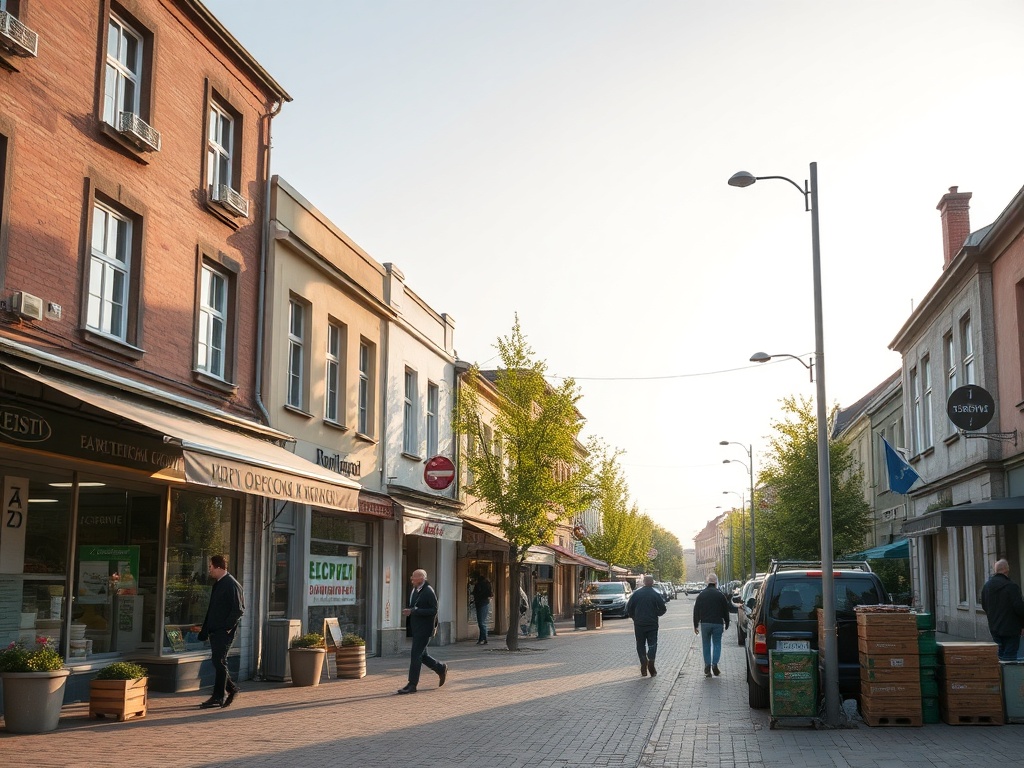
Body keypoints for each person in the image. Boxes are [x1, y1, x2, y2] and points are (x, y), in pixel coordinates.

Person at [197, 554, 244, 709]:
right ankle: (231, 689)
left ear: (218, 567)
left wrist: (227, 628)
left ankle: (219, 695)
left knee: (219, 661)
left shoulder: (231, 584)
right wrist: (205, 630)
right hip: (216, 631)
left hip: (223, 632)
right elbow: (212, 610)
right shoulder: (219, 583)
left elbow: (238, 609)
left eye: (210, 567)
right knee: (218, 661)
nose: (209, 570)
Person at [398, 568, 448, 694]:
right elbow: (416, 606)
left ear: (421, 579)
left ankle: (412, 684)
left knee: (415, 655)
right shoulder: (416, 590)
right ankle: (440, 667)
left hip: (424, 629)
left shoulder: (428, 591)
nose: (411, 579)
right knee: (422, 655)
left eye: (414, 577)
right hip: (417, 628)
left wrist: (414, 611)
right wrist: (410, 610)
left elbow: (433, 610)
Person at [980, 558, 1024, 660]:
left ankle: (1000, 675)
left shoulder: (987, 587)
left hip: (994, 627)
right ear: (1006, 570)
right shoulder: (1011, 586)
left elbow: (984, 606)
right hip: (1011, 628)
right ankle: (1008, 675)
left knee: (999, 655)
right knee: (1010, 656)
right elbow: (1019, 608)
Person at [692, 573, 732, 678]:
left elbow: (696, 610)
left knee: (706, 645)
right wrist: (727, 622)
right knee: (717, 644)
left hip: (705, 623)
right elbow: (725, 610)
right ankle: (714, 664)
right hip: (718, 623)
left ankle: (707, 665)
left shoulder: (701, 595)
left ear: (707, 582)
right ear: (716, 582)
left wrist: (695, 624)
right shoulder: (720, 595)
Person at [626, 575, 667, 677]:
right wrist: (656, 613)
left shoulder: (637, 594)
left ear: (644, 582)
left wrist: (634, 617)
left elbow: (629, 608)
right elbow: (663, 608)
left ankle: (643, 661)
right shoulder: (655, 594)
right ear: (652, 582)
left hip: (639, 623)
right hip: (652, 623)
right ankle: (651, 662)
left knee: (640, 644)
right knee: (653, 644)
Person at [472, 572, 493, 645]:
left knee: (481, 622)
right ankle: (482, 638)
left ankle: (484, 638)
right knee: (482, 622)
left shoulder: (480, 584)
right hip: (484, 602)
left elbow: (476, 593)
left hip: (481, 603)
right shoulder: (487, 584)